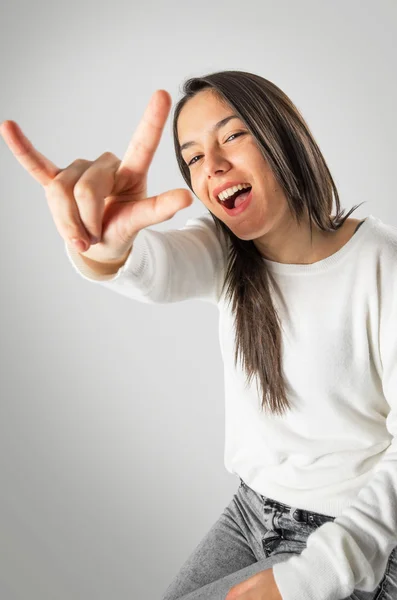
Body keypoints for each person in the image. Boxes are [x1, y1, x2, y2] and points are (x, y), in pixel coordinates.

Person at [1, 69, 397, 600]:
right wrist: (99, 242)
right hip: (250, 511)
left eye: (232, 135)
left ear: (284, 135)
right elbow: (148, 267)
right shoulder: (224, 252)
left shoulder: (381, 265)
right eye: (191, 157)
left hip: (351, 535)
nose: (211, 165)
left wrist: (311, 577)